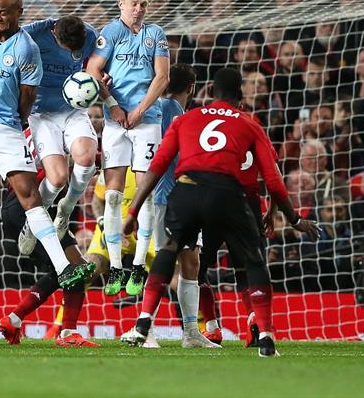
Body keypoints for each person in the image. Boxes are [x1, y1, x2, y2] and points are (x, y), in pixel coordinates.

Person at [122, 68, 318, 357]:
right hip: (227, 196)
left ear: (210, 92)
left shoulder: (185, 119)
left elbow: (159, 164)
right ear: (240, 95)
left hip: (186, 192)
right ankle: (265, 337)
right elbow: (274, 180)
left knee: (171, 249)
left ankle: (144, 320)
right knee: (252, 260)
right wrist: (294, 218)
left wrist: (133, 209)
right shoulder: (249, 124)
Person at [0, 0, 95, 308]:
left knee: (29, 194)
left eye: (3, 12)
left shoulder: (28, 48)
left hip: (6, 127)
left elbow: (27, 97)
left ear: (19, 12)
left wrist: (14, 122)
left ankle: (64, 266)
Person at [118, 63, 218, 349]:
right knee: (167, 263)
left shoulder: (159, 110)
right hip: (168, 198)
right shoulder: (172, 111)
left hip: (172, 197)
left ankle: (190, 333)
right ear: (192, 87)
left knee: (190, 261)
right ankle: (145, 329)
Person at [85, 0, 170, 296]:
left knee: (143, 193)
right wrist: (113, 105)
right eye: (133, 3)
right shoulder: (110, 33)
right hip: (115, 122)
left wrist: (137, 112)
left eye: (143, 4)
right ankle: (117, 268)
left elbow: (162, 77)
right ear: (121, 4)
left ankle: (137, 266)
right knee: (113, 196)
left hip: (146, 122)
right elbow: (93, 69)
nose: (138, 9)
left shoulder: (155, 35)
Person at [15, 16, 98, 254]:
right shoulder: (31, 34)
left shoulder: (89, 35)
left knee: (85, 158)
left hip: (74, 108)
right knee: (58, 177)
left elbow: (100, 63)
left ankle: (66, 209)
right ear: (54, 34)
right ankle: (32, 224)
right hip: (40, 114)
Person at [0, 175, 97, 347]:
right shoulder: (55, 151)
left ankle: (13, 320)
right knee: (74, 268)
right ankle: (68, 333)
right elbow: (66, 169)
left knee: (68, 269)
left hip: (25, 206)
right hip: (31, 207)